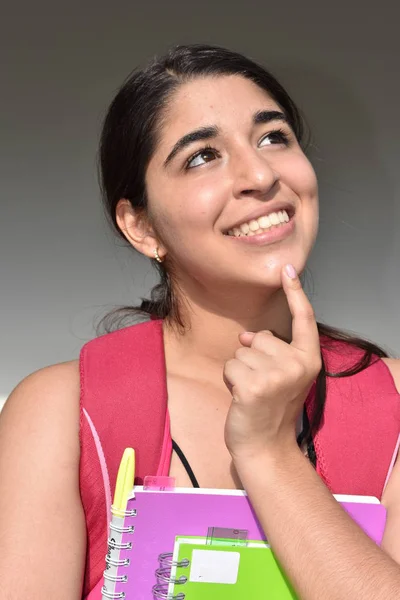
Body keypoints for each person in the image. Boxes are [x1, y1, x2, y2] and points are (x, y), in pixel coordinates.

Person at [0, 44, 399, 600]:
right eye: (202, 156)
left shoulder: (393, 405)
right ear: (141, 228)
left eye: (272, 137)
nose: (259, 174)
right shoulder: (66, 413)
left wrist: (270, 454)